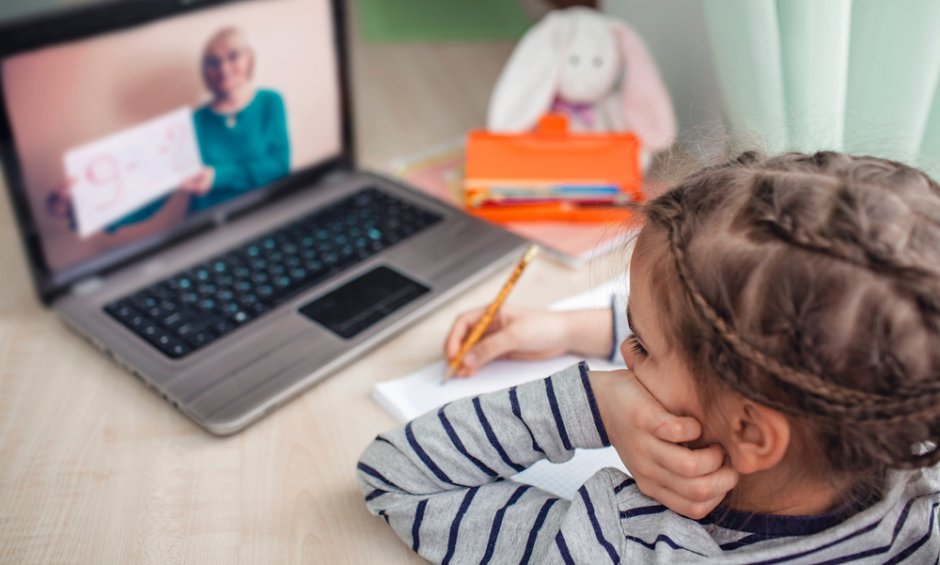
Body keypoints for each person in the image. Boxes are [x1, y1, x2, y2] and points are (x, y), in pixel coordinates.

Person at [356, 151, 940, 562]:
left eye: (640, 345)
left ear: (751, 431)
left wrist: (591, 403)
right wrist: (573, 328)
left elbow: (397, 478)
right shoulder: (916, 492)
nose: (626, 359)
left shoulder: (623, 542)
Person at [48, 27, 290, 231]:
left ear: (249, 59)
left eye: (233, 56)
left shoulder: (270, 102)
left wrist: (217, 176)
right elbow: (153, 192)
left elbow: (279, 166)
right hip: (208, 230)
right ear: (205, 71)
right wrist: (87, 209)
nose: (224, 68)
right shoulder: (191, 123)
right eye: (213, 61)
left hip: (266, 218)